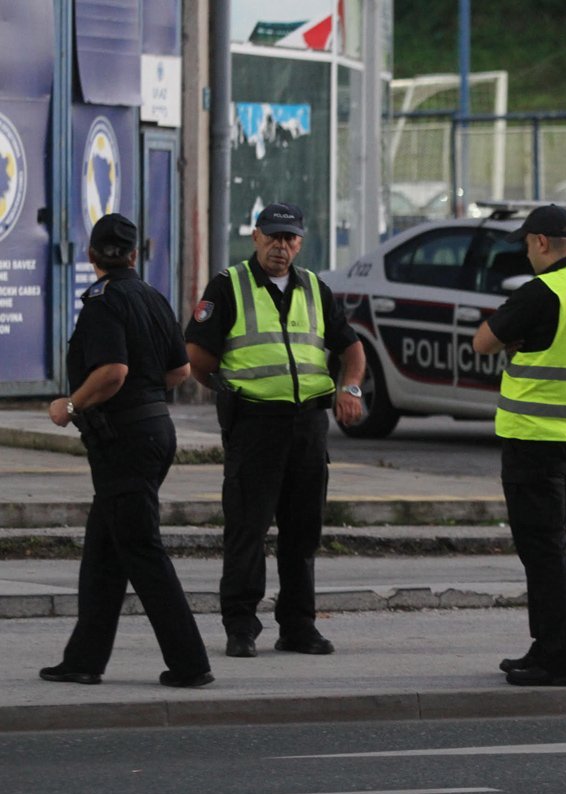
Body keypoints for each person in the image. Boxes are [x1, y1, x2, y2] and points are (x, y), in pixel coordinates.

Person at [40, 213, 213, 689]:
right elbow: (179, 371)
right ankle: (83, 659)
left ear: (91, 256)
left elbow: (113, 371)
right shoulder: (151, 297)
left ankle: (190, 662)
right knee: (104, 551)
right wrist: (143, 390)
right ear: (135, 255)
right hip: (155, 431)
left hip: (126, 442)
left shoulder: (103, 302)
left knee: (140, 548)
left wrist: (69, 405)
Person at [185, 202, 364, 659]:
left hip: (307, 425)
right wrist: (226, 391)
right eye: (273, 237)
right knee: (247, 529)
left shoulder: (315, 289)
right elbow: (198, 355)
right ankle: (241, 627)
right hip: (256, 423)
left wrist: (352, 391)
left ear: (300, 242)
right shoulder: (229, 286)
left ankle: (298, 627)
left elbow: (352, 349)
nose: (281, 247)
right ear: (256, 237)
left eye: (290, 239)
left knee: (302, 534)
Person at [472, 204, 566, 687]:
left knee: (544, 552)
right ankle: (544, 646)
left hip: (536, 439)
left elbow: (483, 342)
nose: (525, 252)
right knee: (546, 549)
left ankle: (559, 660)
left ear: (539, 242)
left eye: (524, 244)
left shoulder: (543, 292)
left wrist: (516, 343)